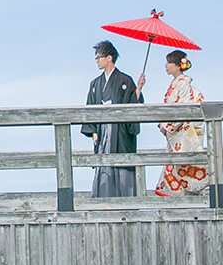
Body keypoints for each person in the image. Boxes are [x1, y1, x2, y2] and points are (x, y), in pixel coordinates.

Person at [81, 40, 145, 197]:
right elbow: (90, 107)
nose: (97, 61)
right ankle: (102, 198)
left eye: (99, 57)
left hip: (120, 130)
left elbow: (132, 104)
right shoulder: (95, 83)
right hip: (102, 130)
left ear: (109, 58)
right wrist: (93, 131)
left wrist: (139, 88)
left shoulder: (125, 81)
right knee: (103, 164)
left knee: (122, 164)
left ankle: (125, 198)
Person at [148, 49, 209, 196]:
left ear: (177, 65)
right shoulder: (178, 84)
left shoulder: (183, 85)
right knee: (174, 166)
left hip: (180, 133)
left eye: (169, 62)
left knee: (178, 165)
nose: (166, 65)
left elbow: (182, 109)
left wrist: (167, 125)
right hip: (175, 133)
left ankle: (182, 197)